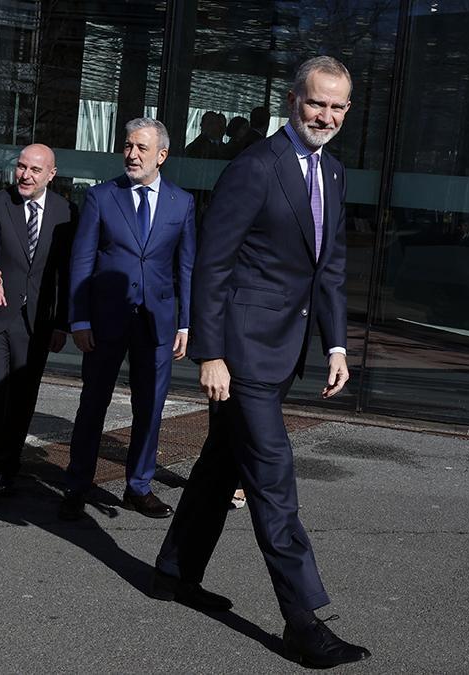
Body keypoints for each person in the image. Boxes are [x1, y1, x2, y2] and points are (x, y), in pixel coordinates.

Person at [151, 56, 370, 668]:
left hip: (285, 347)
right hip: (243, 352)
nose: (325, 115)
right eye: (315, 102)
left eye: (337, 106)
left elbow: (329, 266)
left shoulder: (332, 171)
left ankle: (173, 572)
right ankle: (303, 622)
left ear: (347, 110)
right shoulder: (255, 167)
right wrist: (211, 353)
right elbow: (213, 264)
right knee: (273, 479)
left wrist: (334, 345)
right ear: (293, 100)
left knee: (221, 464)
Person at [60, 117, 195, 521]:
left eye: (141, 148)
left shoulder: (181, 202)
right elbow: (81, 260)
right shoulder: (102, 197)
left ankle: (139, 486)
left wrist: (186, 323)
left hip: (157, 322)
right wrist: (79, 320)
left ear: (162, 155)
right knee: (93, 403)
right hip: (104, 320)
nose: (132, 154)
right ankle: (77, 484)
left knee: (150, 406)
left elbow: (186, 267)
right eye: (128, 146)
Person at [0, 144, 75, 503]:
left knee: (24, 396)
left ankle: (5, 469)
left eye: (34, 171)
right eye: (21, 167)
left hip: (36, 321)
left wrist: (62, 323)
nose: (25, 176)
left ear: (51, 175)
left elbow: (64, 273)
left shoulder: (66, 211)